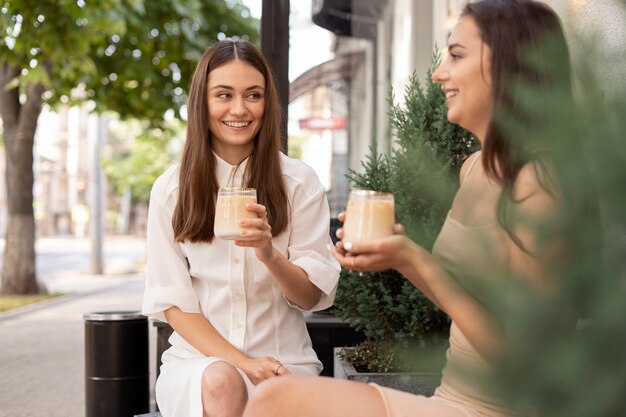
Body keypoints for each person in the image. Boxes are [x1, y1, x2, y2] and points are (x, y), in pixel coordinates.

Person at [242, 1, 593, 417]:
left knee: (277, 400)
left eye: (457, 55)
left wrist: (415, 260)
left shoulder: (540, 180)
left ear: (509, 65)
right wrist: (399, 254)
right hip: (450, 398)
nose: (439, 73)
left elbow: (526, 361)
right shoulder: (475, 167)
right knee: (273, 398)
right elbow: (469, 304)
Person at [141, 39, 340, 417]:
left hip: (284, 362)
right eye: (224, 94)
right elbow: (174, 304)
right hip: (197, 367)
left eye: (253, 95)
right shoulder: (171, 189)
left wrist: (269, 254)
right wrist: (242, 364)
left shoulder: (298, 182)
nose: (239, 108)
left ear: (268, 103)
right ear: (202, 102)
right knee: (221, 380)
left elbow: (311, 297)